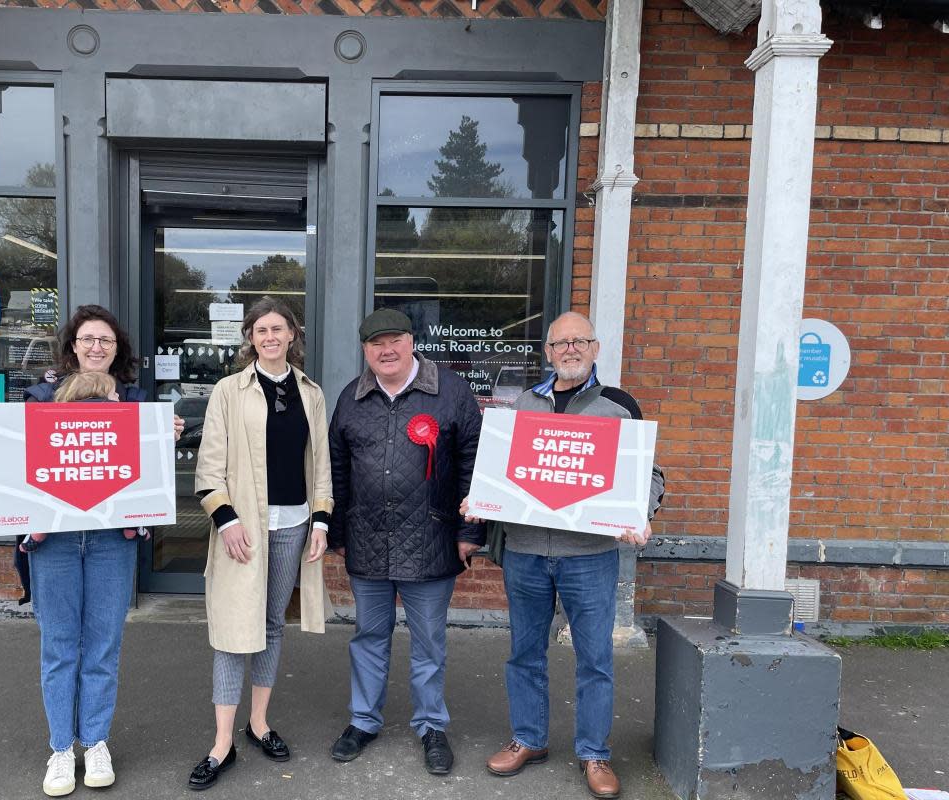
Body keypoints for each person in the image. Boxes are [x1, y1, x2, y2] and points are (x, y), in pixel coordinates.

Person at [0, 304, 183, 798]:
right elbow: (16, 461)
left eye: (105, 340)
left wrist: (164, 438)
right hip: (55, 543)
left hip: (113, 540)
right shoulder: (39, 399)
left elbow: (146, 472)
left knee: (104, 647)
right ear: (72, 346)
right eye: (87, 339)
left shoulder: (136, 402)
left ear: (116, 349)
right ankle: (62, 749)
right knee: (60, 646)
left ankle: (96, 740)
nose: (95, 347)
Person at [468, 311, 665, 799]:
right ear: (548, 352)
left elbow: (651, 475)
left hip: (590, 556)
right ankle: (528, 739)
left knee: (595, 658)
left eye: (580, 341)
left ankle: (594, 752)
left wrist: (642, 513)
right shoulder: (520, 405)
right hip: (527, 552)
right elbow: (496, 470)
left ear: (596, 349)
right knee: (524, 652)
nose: (570, 349)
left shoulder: (618, 407)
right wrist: (481, 499)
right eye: (561, 343)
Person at [326, 307, 483, 776]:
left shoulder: (451, 392)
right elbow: (335, 468)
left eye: (395, 340)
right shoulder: (351, 398)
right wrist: (337, 532)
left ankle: (432, 725)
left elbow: (474, 464)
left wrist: (470, 531)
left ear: (412, 341)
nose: (386, 350)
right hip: (367, 539)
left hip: (432, 538)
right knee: (368, 636)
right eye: (376, 344)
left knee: (429, 642)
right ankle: (363, 721)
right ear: (365, 350)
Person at [188, 296, 333, 791]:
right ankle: (222, 743)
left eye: (278, 328)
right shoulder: (228, 391)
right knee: (233, 629)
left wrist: (321, 521)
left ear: (293, 334)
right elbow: (209, 468)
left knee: (271, 624)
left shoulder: (311, 393)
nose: (269, 337)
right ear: (250, 337)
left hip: (293, 524)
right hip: (243, 527)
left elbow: (321, 465)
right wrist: (225, 520)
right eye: (260, 330)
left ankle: (259, 724)